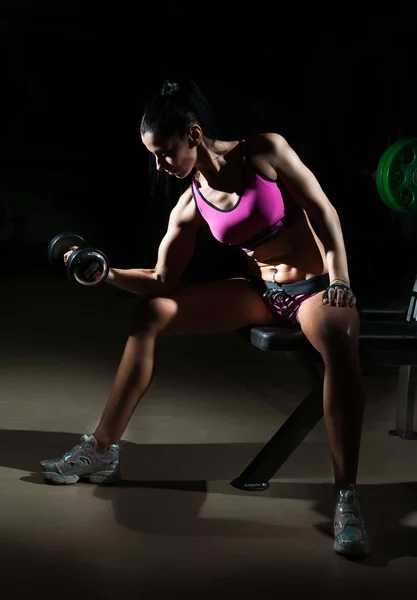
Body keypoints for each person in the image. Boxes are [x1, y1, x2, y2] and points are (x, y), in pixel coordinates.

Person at [40, 79, 369, 557]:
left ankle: (346, 499)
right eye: (153, 155)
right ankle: (102, 449)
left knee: (339, 341)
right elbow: (161, 279)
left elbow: (323, 211)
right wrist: (104, 272)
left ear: (193, 135)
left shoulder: (265, 152)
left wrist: (339, 277)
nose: (160, 165)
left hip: (316, 288)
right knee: (152, 313)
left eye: (165, 152)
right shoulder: (190, 203)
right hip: (263, 292)